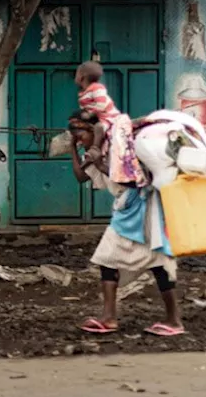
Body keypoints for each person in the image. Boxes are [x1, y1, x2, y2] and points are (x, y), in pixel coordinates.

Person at [68, 110, 183, 337]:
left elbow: (135, 179)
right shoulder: (97, 150)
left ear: (93, 130)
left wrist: (100, 164)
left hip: (145, 207)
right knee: (113, 259)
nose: (78, 139)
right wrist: (73, 148)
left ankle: (172, 319)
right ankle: (111, 317)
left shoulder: (120, 145)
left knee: (155, 262)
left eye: (80, 134)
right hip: (127, 210)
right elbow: (81, 176)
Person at [75, 61, 141, 186]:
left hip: (108, 117)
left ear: (81, 76)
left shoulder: (97, 88)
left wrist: (90, 114)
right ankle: (93, 155)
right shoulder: (83, 93)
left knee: (99, 128)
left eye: (76, 73)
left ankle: (95, 150)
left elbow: (102, 105)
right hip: (97, 118)